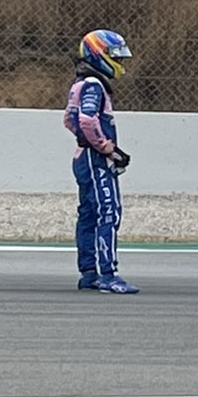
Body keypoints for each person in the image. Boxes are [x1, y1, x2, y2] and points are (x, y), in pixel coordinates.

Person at [66, 28, 137, 294]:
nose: (119, 64)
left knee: (87, 215)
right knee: (109, 212)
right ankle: (109, 275)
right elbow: (86, 119)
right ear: (98, 55)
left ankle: (89, 273)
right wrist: (107, 148)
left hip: (82, 158)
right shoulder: (94, 86)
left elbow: (69, 120)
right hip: (96, 161)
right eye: (115, 57)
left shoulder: (79, 84)